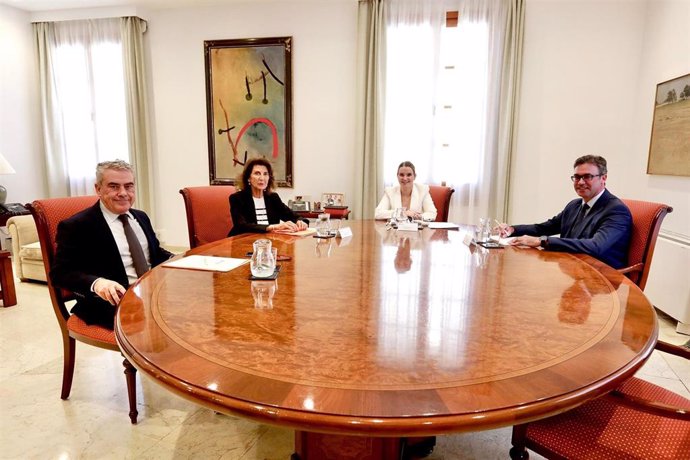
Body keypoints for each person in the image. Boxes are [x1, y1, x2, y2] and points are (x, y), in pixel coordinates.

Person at [51, 160, 173, 329]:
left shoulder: (141, 217)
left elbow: (155, 254)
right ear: (98, 189)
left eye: (128, 186)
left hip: (153, 293)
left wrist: (181, 259)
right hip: (110, 304)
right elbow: (60, 273)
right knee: (167, 324)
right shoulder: (77, 226)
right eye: (114, 186)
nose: (123, 193)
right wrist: (98, 283)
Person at [498, 155, 632, 269]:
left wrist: (542, 241)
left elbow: (596, 246)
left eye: (587, 177)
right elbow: (545, 227)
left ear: (603, 178)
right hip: (571, 268)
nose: (580, 182)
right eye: (577, 177)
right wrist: (512, 229)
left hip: (601, 278)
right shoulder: (574, 205)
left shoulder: (616, 210)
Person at [228, 158, 309, 236]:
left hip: (269, 242)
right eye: (257, 173)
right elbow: (241, 226)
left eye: (265, 174)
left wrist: (300, 221)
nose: (262, 178)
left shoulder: (273, 198)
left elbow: (292, 216)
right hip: (242, 242)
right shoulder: (237, 198)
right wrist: (273, 227)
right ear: (248, 178)